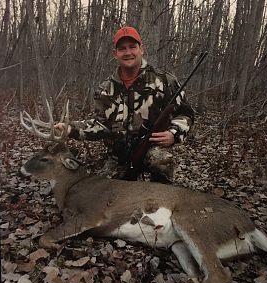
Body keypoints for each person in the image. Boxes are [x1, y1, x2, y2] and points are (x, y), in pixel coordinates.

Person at [56, 26, 194, 183]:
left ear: (141, 49)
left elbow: (185, 113)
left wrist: (173, 133)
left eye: (132, 47)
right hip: (120, 157)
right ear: (115, 54)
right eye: (122, 49)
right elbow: (100, 125)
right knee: (101, 194)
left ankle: (162, 196)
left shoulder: (164, 81)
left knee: (160, 161)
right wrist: (70, 128)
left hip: (153, 151)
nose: (128, 52)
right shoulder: (106, 89)